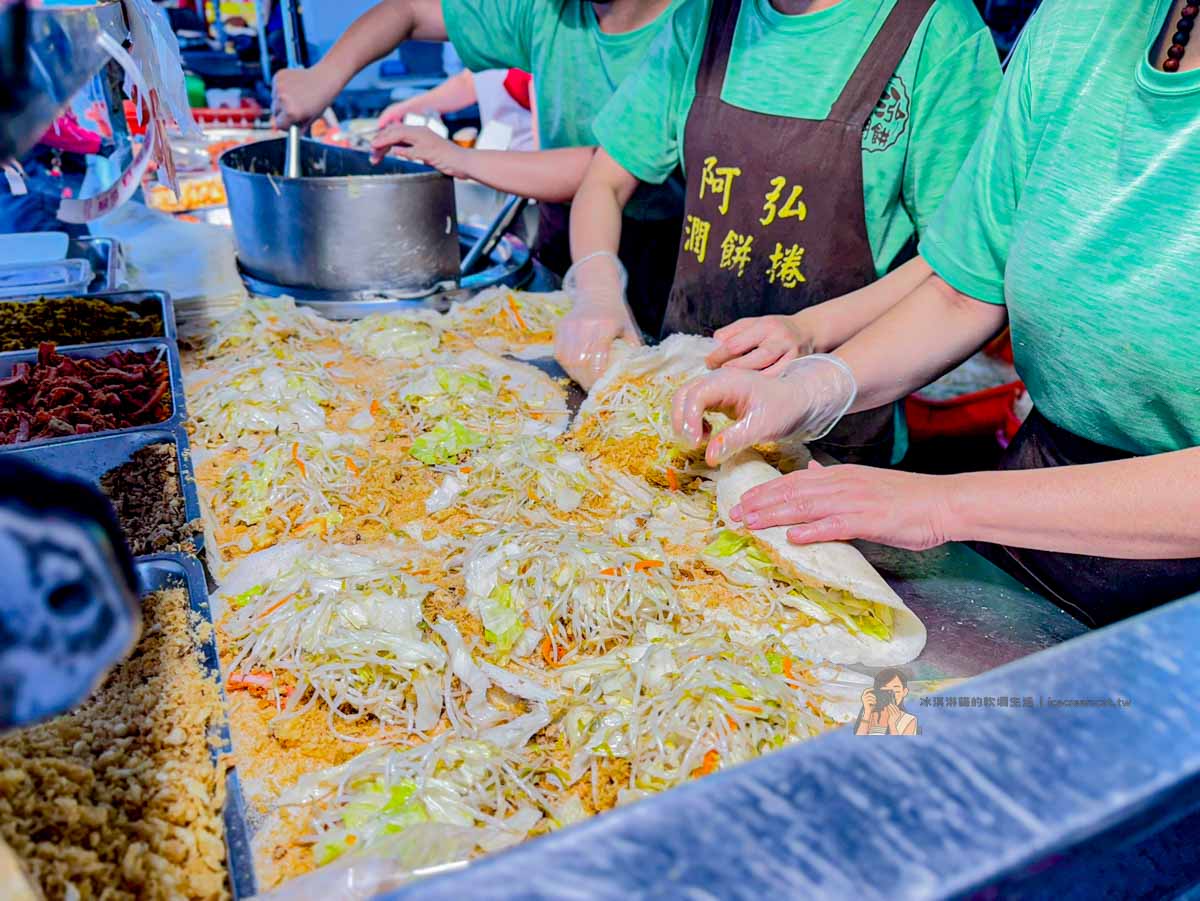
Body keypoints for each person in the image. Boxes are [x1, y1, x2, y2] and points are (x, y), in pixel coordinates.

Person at [670, 0, 1200, 628]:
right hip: (1036, 497)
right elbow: (965, 288)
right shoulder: (1081, 23)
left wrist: (943, 504)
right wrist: (814, 385)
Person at [557, 0, 1002, 465]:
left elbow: (959, 265)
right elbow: (604, 181)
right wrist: (597, 289)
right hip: (679, 404)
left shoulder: (934, 30)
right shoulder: (704, 18)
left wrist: (809, 331)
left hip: (833, 429)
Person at [271, 0, 686, 313]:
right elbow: (408, 11)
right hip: (560, 235)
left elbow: (606, 169)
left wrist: (461, 158)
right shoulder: (552, 11)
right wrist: (323, 77)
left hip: (663, 255)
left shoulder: (690, 26)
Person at [376, 67, 537, 153]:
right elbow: (467, 82)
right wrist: (404, 109)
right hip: (497, 169)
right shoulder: (490, 38)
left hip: (530, 180)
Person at [853, 669, 918, 735]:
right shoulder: (867, 715)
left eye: (896, 691)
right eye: (885, 692)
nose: (890, 696)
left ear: (904, 692)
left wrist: (892, 724)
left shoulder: (908, 720)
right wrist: (867, 712)